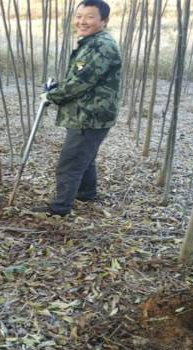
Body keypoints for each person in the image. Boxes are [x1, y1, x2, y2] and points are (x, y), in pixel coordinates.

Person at [31, 0, 121, 216]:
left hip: (89, 116)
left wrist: (51, 95)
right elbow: (79, 78)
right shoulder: (91, 42)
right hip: (91, 113)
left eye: (89, 16)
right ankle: (86, 193)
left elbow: (80, 82)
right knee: (85, 157)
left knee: (70, 162)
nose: (82, 21)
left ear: (104, 21)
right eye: (79, 16)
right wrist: (58, 88)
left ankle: (61, 207)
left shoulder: (100, 46)